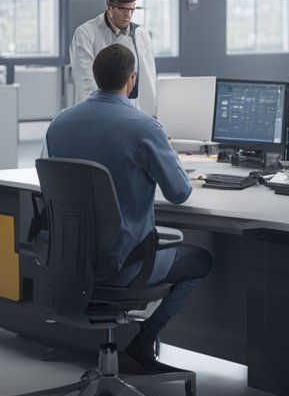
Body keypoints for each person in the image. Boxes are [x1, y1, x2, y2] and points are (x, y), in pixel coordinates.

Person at [45, 44, 211, 372]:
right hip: (125, 267)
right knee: (200, 261)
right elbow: (179, 192)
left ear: (94, 77)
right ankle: (143, 340)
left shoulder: (59, 124)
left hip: (70, 264)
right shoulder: (144, 127)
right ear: (132, 80)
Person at [70, 0, 158, 116]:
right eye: (123, 10)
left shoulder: (140, 34)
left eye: (132, 10)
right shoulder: (86, 33)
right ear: (109, 7)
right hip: (98, 111)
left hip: (132, 110)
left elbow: (148, 80)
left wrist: (152, 116)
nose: (128, 15)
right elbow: (85, 81)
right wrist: (93, 115)